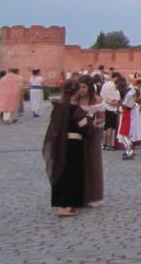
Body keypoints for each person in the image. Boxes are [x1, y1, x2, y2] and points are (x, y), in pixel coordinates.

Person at [43, 80, 89, 216]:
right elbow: (85, 129)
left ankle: (62, 203)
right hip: (74, 144)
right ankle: (66, 205)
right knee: (72, 173)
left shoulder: (59, 106)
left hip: (60, 143)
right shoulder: (77, 110)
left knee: (61, 171)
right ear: (76, 92)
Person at [77, 74, 105, 205]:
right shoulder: (76, 99)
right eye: (79, 87)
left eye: (83, 87)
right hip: (78, 135)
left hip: (92, 134)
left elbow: (102, 118)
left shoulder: (96, 99)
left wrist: (93, 122)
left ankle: (92, 194)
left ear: (89, 87)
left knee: (92, 163)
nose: (81, 90)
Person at [100, 72, 121, 150]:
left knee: (105, 126)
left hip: (104, 106)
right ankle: (109, 144)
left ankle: (104, 144)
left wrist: (106, 101)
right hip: (111, 108)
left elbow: (101, 95)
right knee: (110, 127)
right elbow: (116, 99)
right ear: (115, 77)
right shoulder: (113, 86)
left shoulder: (105, 84)